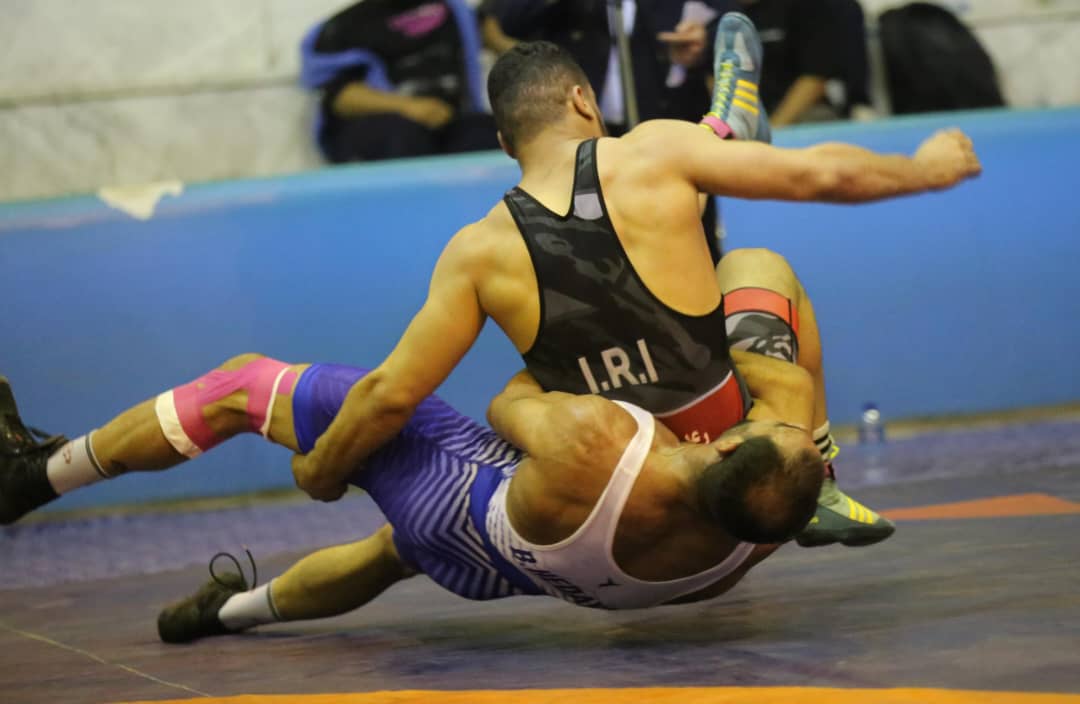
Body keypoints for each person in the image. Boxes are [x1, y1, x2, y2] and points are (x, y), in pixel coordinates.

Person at [0, 29, 981, 549]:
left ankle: (47, 474)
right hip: (729, 460)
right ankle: (817, 468)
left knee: (512, 396)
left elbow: (389, 396)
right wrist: (928, 168)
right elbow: (823, 175)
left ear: (505, 140)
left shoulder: (476, 250)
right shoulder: (649, 155)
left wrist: (324, 472)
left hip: (610, 491)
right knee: (759, 267)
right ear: (586, 100)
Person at [299, 0, 509, 164]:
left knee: (491, 134)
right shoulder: (345, 27)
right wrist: (408, 108)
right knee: (404, 137)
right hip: (384, 124)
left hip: (448, 120)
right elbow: (340, 97)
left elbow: (495, 38)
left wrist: (513, 48)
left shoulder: (453, 11)